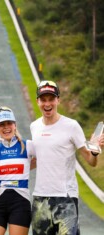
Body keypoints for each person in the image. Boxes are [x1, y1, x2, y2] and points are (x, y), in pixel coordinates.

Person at [30, 80, 104, 235]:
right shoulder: (34, 126)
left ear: (58, 100)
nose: (47, 104)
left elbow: (91, 160)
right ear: (38, 101)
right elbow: (39, 159)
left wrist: (96, 150)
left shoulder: (71, 126)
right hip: (40, 199)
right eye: (43, 99)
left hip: (65, 198)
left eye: (51, 99)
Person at [0, 107, 35, 235]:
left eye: (9, 123)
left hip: (20, 202)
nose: (6, 127)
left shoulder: (28, 145)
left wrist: (28, 166)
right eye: (1, 124)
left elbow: (45, 158)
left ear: (15, 125)